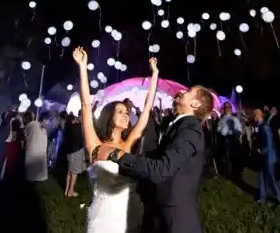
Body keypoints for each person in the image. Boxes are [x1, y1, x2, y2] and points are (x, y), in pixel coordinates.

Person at [96, 84, 214, 233]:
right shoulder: (178, 124)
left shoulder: (190, 130)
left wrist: (118, 156)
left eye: (188, 92)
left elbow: (161, 169)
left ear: (195, 104)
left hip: (175, 218)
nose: (182, 91)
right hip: (160, 209)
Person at [73, 46, 160, 233]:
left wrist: (155, 75)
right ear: (109, 116)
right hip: (101, 218)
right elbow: (86, 104)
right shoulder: (95, 145)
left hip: (127, 217)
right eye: (120, 112)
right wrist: (82, 66)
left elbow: (147, 108)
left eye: (126, 112)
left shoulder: (128, 144)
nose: (125, 115)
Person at [253, 109, 280, 206]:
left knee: (271, 178)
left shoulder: (265, 126)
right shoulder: (260, 126)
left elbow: (269, 142)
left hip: (269, 156)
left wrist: (262, 151)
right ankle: (262, 197)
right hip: (263, 156)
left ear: (257, 116)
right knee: (261, 176)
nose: (253, 118)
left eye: (254, 116)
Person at [63, 113, 85, 196]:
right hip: (76, 151)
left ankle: (66, 190)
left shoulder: (67, 126)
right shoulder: (78, 127)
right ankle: (70, 191)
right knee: (74, 172)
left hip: (69, 151)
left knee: (69, 171)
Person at [23, 111, 48, 182]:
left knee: (32, 170)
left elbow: (25, 136)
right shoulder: (35, 125)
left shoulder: (31, 125)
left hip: (34, 150)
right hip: (37, 151)